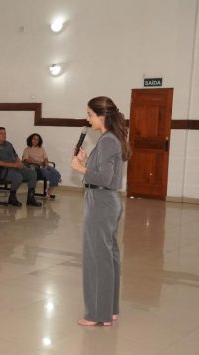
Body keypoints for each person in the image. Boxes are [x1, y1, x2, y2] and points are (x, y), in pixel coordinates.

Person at [71, 96, 130, 327]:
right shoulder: (110, 139)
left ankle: (97, 314)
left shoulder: (107, 141)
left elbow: (104, 178)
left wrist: (80, 168)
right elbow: (105, 170)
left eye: (90, 115)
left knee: (97, 259)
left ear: (101, 116)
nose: (88, 119)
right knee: (109, 257)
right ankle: (109, 310)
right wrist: (87, 160)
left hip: (101, 202)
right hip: (106, 202)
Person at [0, 127, 42, 207]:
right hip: (2, 170)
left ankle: (30, 198)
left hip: (15, 167)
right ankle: (12, 197)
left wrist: (19, 163)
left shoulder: (9, 144)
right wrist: (14, 165)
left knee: (32, 173)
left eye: (5, 133)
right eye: (1, 133)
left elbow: (15, 155)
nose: (4, 135)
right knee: (18, 176)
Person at [22, 133, 61, 199]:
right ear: (31, 139)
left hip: (44, 165)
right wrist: (37, 162)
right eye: (34, 139)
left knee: (56, 174)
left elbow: (45, 158)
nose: (36, 141)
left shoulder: (41, 149)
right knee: (50, 175)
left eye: (37, 139)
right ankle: (49, 190)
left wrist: (46, 164)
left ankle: (49, 190)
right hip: (36, 167)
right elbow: (26, 160)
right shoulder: (27, 149)